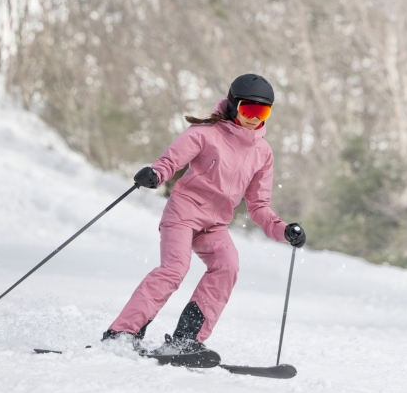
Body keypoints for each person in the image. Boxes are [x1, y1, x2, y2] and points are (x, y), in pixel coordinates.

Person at [102, 73, 307, 356]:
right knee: (175, 269)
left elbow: (259, 205)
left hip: (215, 225)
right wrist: (155, 174)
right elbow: (170, 161)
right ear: (234, 105)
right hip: (183, 214)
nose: (254, 117)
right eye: (249, 109)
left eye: (263, 111)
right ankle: (122, 333)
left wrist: (283, 229)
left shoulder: (263, 152)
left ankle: (186, 339)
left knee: (228, 265)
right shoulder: (204, 134)